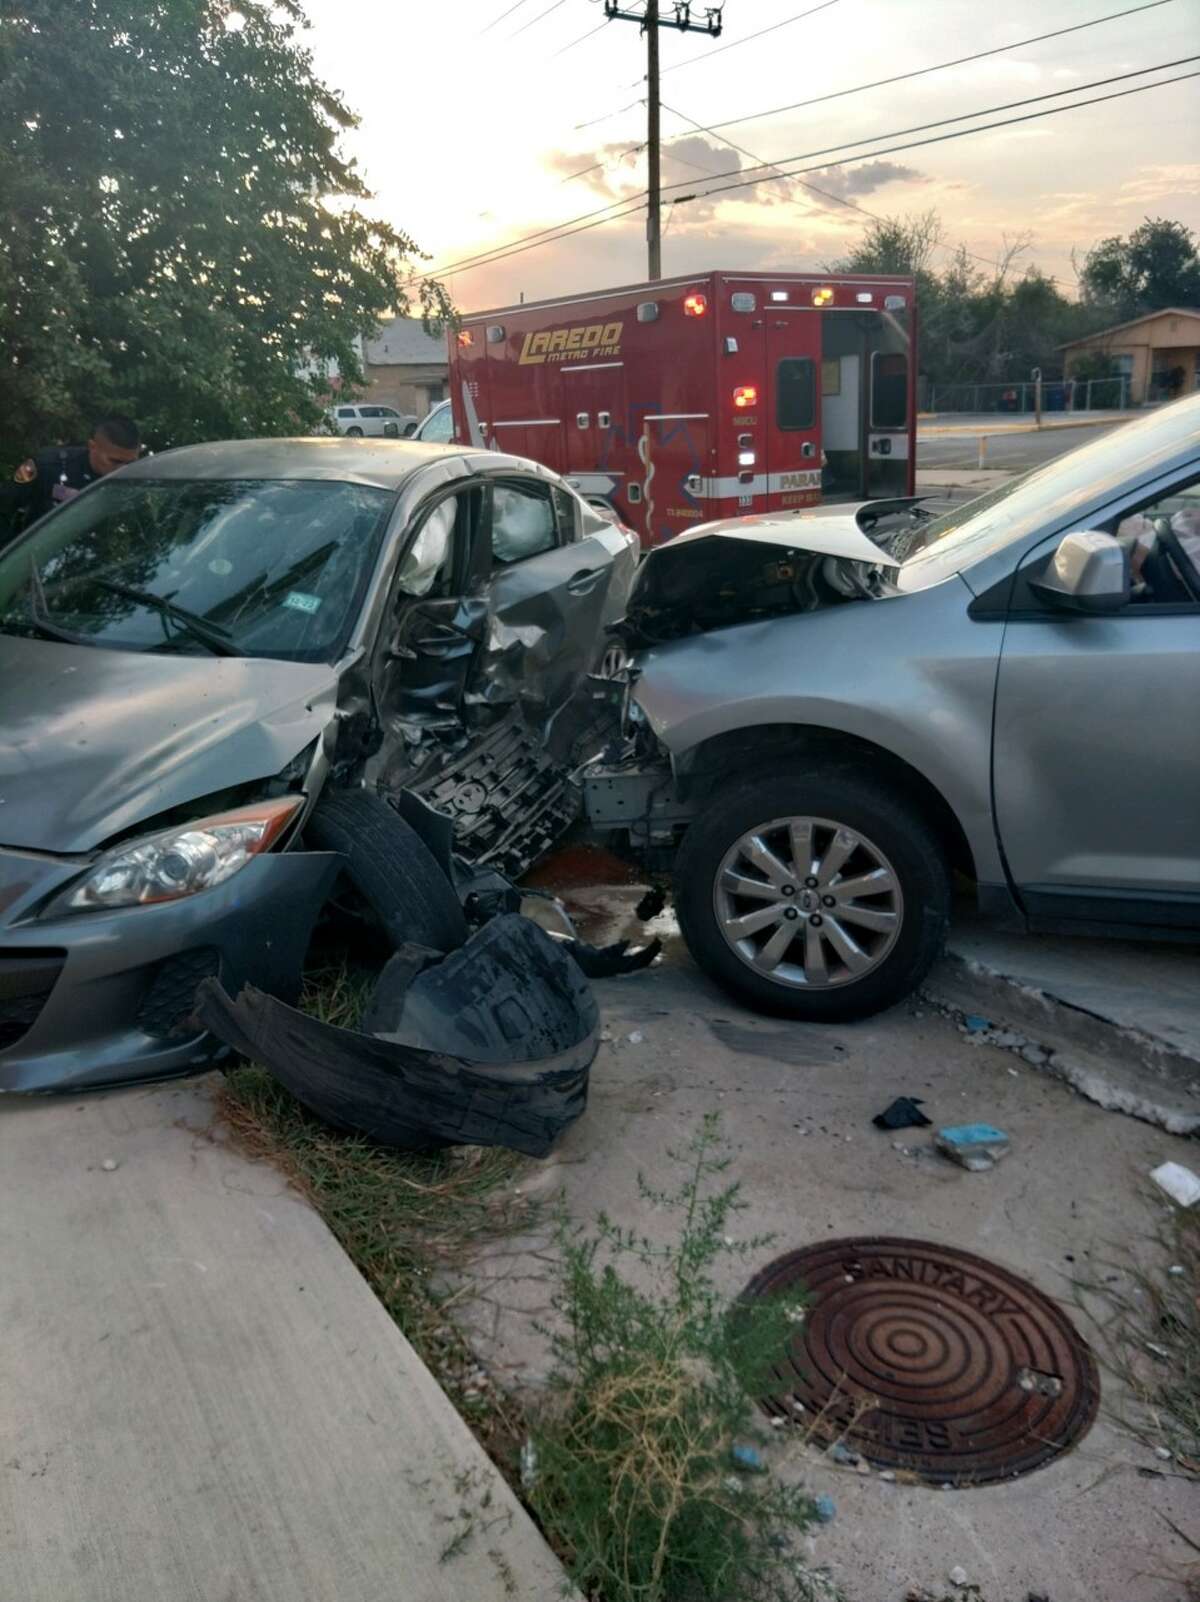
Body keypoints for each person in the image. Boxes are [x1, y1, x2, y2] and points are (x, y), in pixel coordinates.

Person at [0, 415, 141, 548]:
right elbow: (4, 505)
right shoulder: (48, 466)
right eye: (115, 461)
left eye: (130, 463)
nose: (123, 469)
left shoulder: (137, 480)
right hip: (38, 556)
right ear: (93, 446)